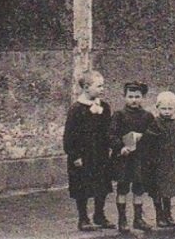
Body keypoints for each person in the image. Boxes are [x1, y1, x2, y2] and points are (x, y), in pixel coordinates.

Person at [64, 70, 114, 232]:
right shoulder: (77, 109)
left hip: (100, 153)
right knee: (82, 186)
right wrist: (75, 155)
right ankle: (83, 218)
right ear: (86, 87)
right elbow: (70, 135)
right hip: (83, 155)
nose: (102, 89)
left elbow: (108, 130)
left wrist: (114, 146)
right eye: (98, 86)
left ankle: (99, 215)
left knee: (102, 184)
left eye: (103, 86)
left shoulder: (104, 107)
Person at [110, 81, 154, 233]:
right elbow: (111, 134)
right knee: (122, 189)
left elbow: (153, 134)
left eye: (137, 96)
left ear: (143, 97)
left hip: (140, 158)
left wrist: (142, 136)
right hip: (124, 158)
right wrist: (120, 147)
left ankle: (138, 219)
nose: (134, 100)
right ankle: (122, 219)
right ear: (124, 97)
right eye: (130, 96)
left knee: (139, 189)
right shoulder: (119, 115)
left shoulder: (147, 116)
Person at [145, 91, 175, 228]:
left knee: (168, 188)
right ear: (157, 108)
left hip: (171, 161)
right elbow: (149, 142)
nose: (167, 112)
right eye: (163, 109)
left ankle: (168, 213)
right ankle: (159, 215)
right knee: (158, 189)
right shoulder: (155, 123)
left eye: (170, 109)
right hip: (158, 161)